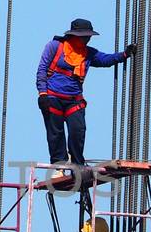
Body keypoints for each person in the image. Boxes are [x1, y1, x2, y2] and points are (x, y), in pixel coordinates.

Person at [36, 19, 135, 168]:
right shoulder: (54, 47)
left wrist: (124, 54)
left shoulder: (88, 53)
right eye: (84, 36)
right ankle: (59, 165)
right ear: (74, 35)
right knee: (55, 134)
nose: (87, 39)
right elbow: (42, 69)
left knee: (78, 131)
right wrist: (42, 94)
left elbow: (105, 60)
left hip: (74, 100)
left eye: (88, 36)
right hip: (52, 97)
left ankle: (77, 165)